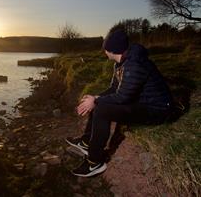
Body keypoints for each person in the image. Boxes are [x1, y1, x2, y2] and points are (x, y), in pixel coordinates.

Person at [66, 29, 173, 177]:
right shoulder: (120, 63)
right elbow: (114, 89)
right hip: (142, 102)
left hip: (157, 110)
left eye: (105, 48)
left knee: (101, 109)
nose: (104, 51)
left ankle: (94, 162)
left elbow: (123, 97)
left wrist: (96, 100)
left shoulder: (135, 64)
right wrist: (94, 98)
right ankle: (86, 142)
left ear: (111, 49)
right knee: (98, 102)